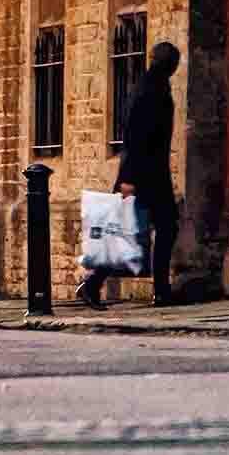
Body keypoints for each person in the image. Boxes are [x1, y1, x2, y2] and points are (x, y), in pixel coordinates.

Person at [78, 40, 183, 309]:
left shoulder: (153, 86)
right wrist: (127, 179)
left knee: (154, 228)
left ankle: (159, 290)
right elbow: (134, 136)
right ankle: (93, 285)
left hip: (151, 174)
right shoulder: (149, 90)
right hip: (141, 175)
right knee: (126, 231)